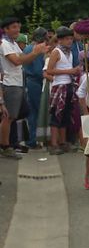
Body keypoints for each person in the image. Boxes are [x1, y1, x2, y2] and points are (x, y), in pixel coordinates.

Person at [0, 17, 48, 159]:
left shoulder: (12, 43)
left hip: (18, 83)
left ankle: (11, 142)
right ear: (6, 29)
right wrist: (35, 53)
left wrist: (37, 53)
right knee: (8, 117)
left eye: (18, 26)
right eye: (13, 27)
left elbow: (23, 60)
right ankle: (5, 146)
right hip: (10, 84)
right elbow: (16, 61)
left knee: (19, 114)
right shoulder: (4, 44)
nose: (17, 29)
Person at [46, 27, 81, 155]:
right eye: (67, 39)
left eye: (71, 39)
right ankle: (54, 144)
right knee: (56, 115)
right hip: (59, 85)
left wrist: (74, 71)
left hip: (68, 84)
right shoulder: (56, 52)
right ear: (60, 40)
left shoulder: (70, 53)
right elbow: (49, 70)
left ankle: (63, 141)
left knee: (65, 114)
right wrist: (69, 71)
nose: (69, 41)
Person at [23, 27, 48, 149]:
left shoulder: (27, 48)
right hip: (36, 82)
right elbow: (39, 70)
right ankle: (41, 138)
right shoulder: (37, 49)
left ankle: (31, 140)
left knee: (31, 113)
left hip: (28, 81)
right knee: (40, 111)